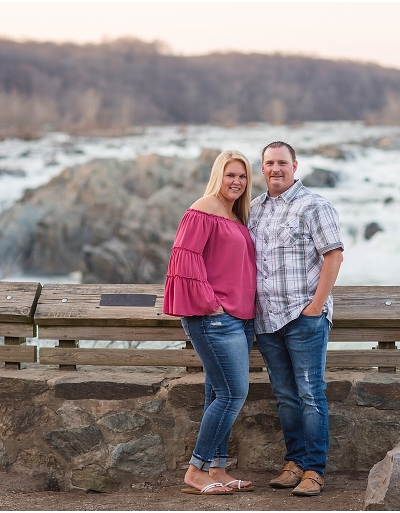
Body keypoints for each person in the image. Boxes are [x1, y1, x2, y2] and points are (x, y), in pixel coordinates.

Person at [249, 141, 344, 496]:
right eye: (270, 163)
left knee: (310, 393)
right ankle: (294, 462)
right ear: (262, 168)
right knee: (285, 395)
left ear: (294, 166)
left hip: (303, 318)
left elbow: (333, 257)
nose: (276, 169)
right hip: (267, 319)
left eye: (282, 163)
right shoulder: (255, 209)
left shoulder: (315, 206)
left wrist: (316, 307)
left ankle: (314, 470)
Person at [163, 149, 257, 496]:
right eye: (231, 174)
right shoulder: (203, 208)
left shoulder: (234, 214)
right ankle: (195, 470)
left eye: (243, 176)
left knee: (219, 393)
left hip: (239, 318)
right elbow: (184, 259)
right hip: (215, 319)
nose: (237, 182)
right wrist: (211, 305)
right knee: (234, 393)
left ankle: (217, 467)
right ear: (219, 175)